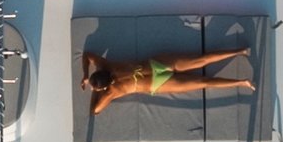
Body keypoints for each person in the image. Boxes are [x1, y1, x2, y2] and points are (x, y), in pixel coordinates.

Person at [80, 47, 253, 115]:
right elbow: (87, 55)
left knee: (204, 82)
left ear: (103, 88)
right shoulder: (106, 65)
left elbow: (94, 111)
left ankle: (242, 82)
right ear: (100, 71)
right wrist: (86, 75)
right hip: (156, 64)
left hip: (157, 84)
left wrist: (95, 90)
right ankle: (240, 51)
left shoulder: (111, 92)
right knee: (202, 60)